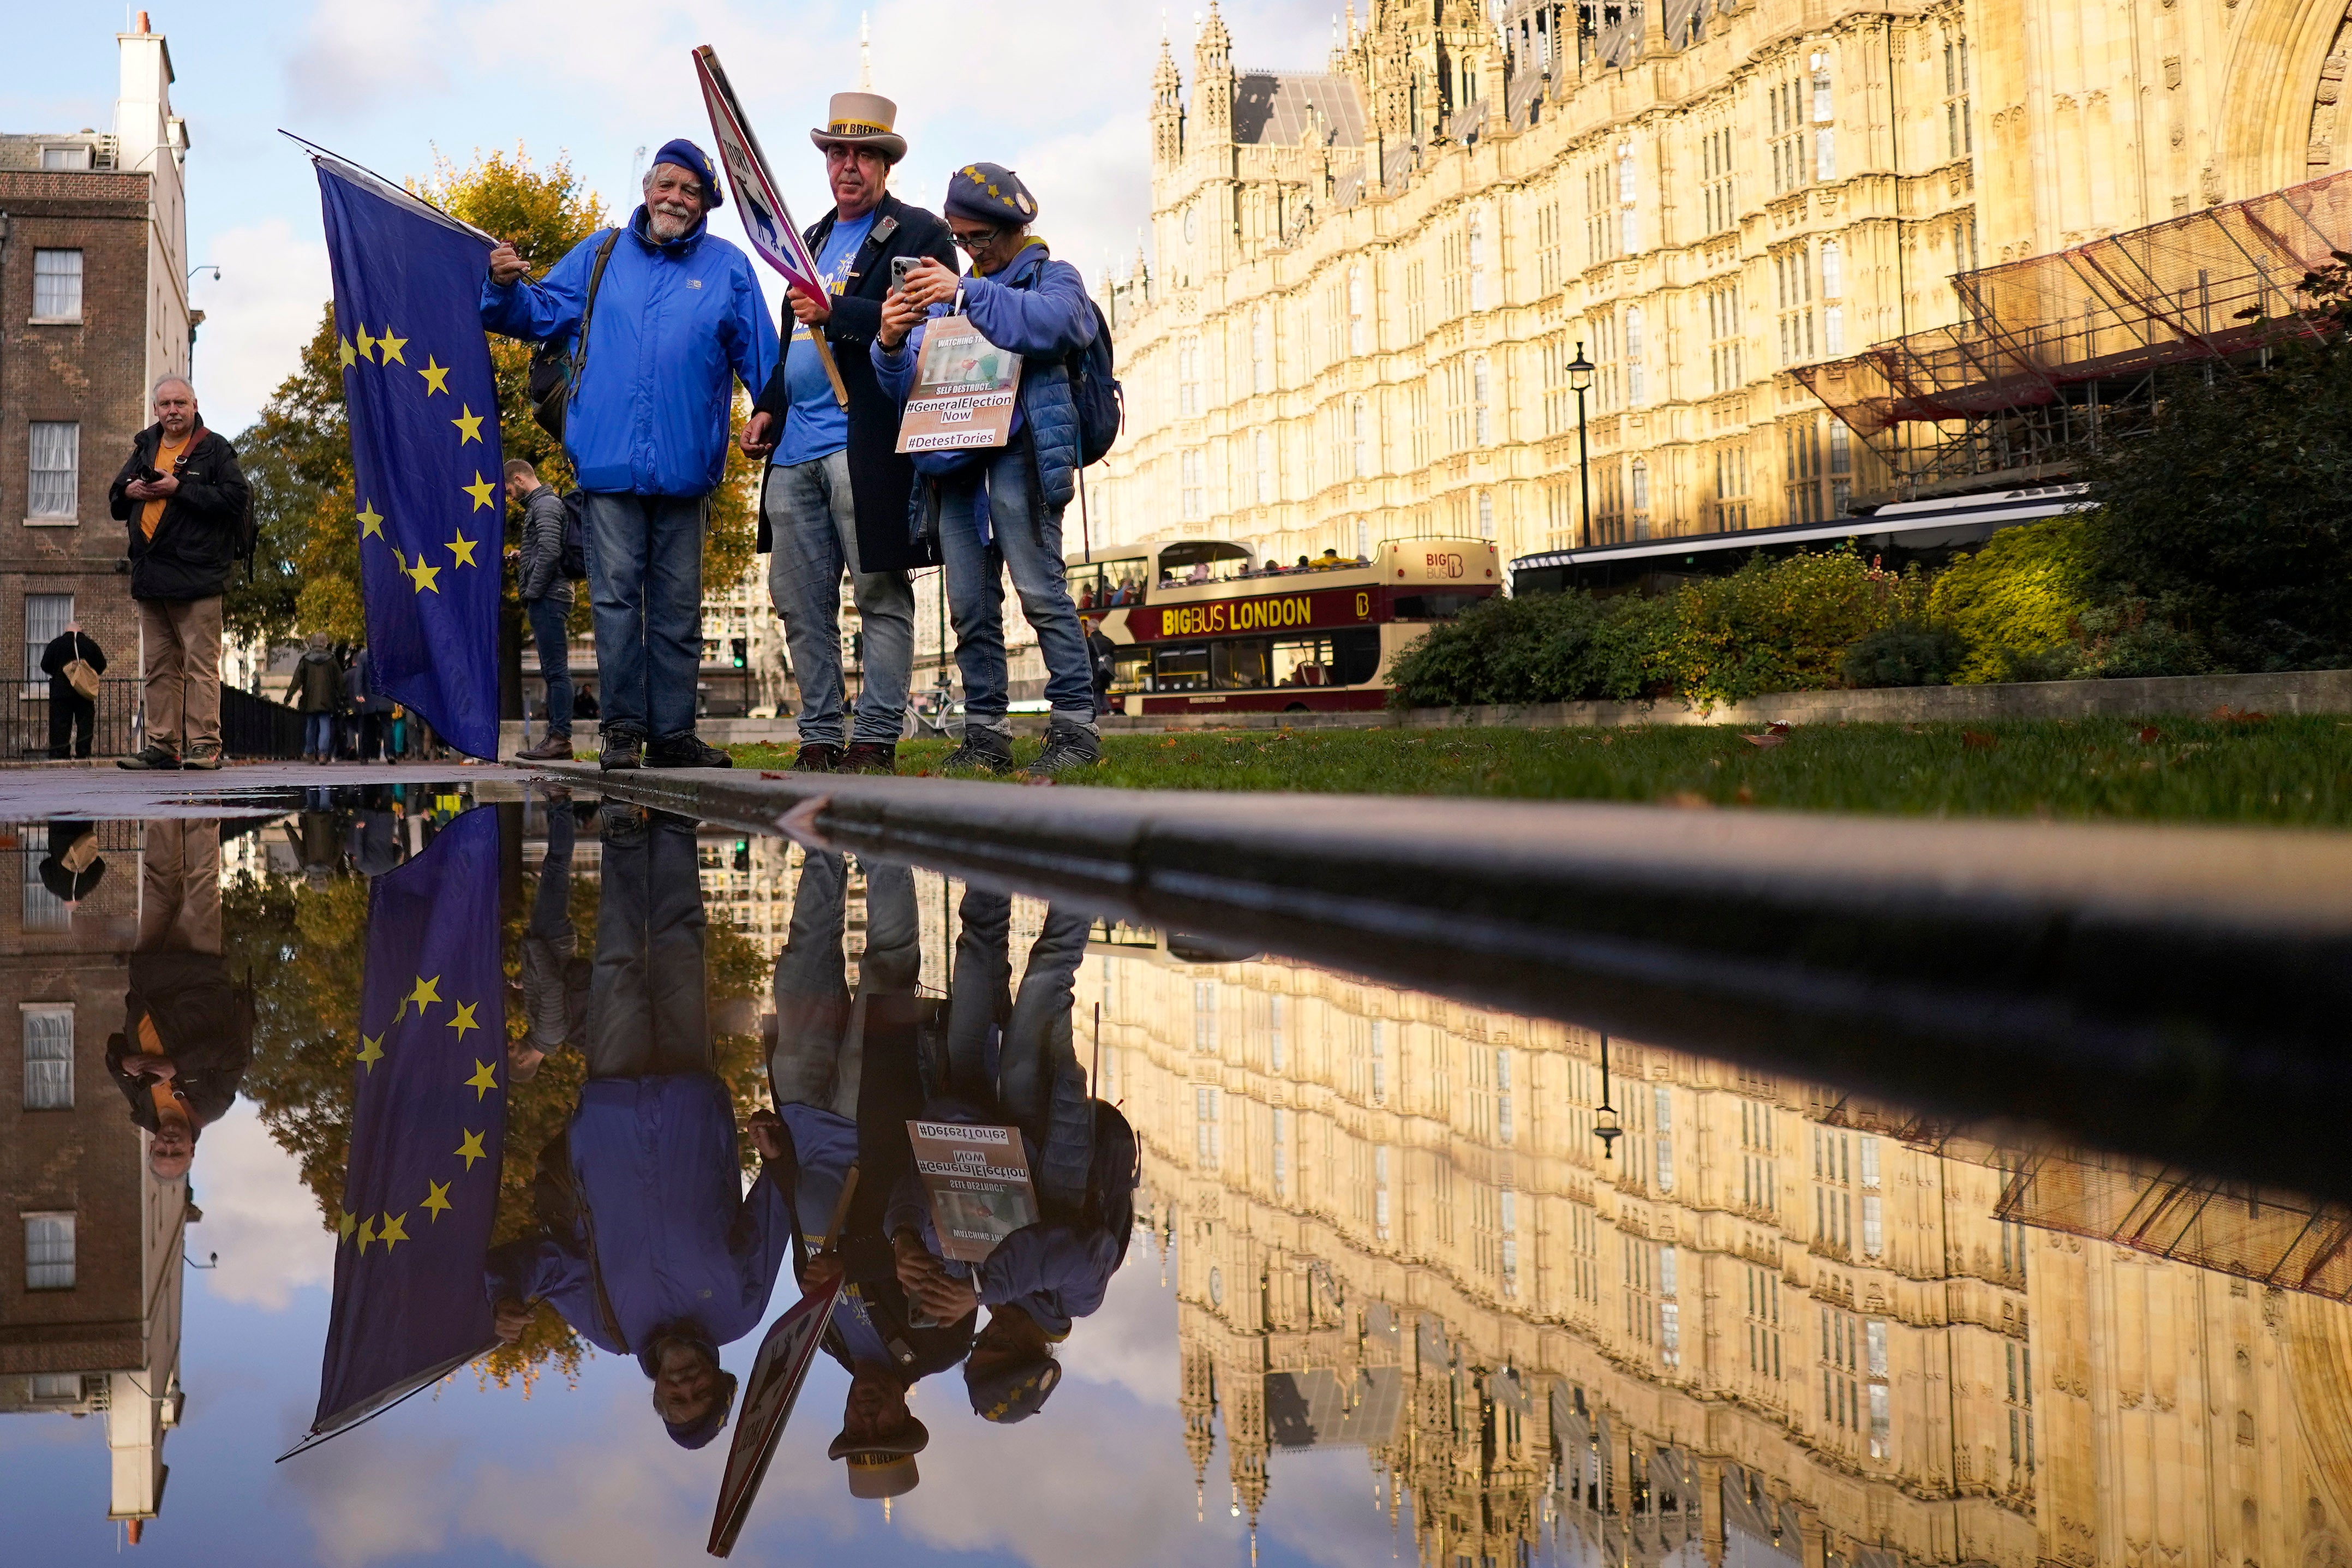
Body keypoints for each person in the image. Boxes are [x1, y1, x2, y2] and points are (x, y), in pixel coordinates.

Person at [484, 806, 794, 1449]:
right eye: (699, 1394)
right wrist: (775, 1156)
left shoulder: (607, 1329)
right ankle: (678, 818)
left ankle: (625, 822)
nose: (683, 1385)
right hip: (691, 1100)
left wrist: (503, 1296)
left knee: (619, 956)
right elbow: (774, 1215)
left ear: (656, 1395)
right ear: (720, 1381)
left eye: (673, 1400)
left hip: (611, 1109)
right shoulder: (739, 1312)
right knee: (682, 938)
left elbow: (539, 1264)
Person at [481, 141, 775, 773]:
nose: (673, 197)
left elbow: (764, 360)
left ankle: (672, 735)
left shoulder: (729, 267)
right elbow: (535, 314)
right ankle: (620, 732)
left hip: (685, 468)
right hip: (610, 463)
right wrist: (500, 285)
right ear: (647, 189)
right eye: (665, 184)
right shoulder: (600, 253)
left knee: (676, 607)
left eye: (689, 191)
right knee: (614, 600)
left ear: (705, 205)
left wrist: (767, 408)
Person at [741, 93, 958, 778]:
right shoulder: (804, 240)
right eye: (838, 153)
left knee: (880, 595)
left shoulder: (920, 233)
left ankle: (874, 737)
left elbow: (925, 321)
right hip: (795, 454)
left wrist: (838, 308)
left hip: (866, 445)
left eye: (865, 154)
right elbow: (790, 348)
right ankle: (819, 736)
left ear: (886, 164)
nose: (849, 166)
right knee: (801, 608)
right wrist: (768, 407)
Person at [874, 164, 1101, 777]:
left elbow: (1056, 326)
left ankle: (1077, 726)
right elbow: (910, 392)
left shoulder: (1054, 279)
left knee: (1040, 592)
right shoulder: (951, 293)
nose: (969, 250)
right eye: (960, 238)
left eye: (977, 238)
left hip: (1020, 465)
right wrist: (890, 346)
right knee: (969, 606)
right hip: (955, 473)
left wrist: (967, 293)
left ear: (1012, 228)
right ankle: (985, 735)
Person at [884, 890, 1137, 1425]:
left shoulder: (963, 1281)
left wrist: (905, 1236)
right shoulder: (1078, 1298)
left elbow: (919, 1175)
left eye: (981, 1350)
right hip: (1040, 1112)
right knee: (1048, 976)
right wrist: (980, 1287)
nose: (988, 1336)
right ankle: (1086, 850)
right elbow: (1066, 1250)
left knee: (975, 950)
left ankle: (989, 836)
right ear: (1035, 1352)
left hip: (969, 1099)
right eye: (1001, 1349)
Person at [110, 376, 249, 771]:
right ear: (155, 409)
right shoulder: (144, 447)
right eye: (166, 404)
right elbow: (115, 500)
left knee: (200, 666)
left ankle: (205, 745)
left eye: (180, 403)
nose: (173, 410)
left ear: (194, 405)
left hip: (199, 577)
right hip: (151, 576)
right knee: (158, 666)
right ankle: (162, 746)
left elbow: (236, 499)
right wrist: (129, 492)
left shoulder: (214, 448)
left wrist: (179, 489)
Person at [105, 820, 247, 1181]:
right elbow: (233, 1052)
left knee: (159, 881)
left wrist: (126, 1062)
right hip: (197, 973)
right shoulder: (212, 1105)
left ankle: (163, 801)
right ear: (192, 1149)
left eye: (163, 1151)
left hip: (149, 978)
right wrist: (176, 1065)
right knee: (201, 880)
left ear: (151, 1147)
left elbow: (112, 1052)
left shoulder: (141, 1109)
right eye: (178, 1151)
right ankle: (201, 795)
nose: (170, 1144)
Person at [505, 459, 577, 762]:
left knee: (556, 671)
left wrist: (532, 591)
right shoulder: (541, 506)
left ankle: (560, 738)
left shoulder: (545, 505)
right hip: (548, 595)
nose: (509, 496)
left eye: (509, 489)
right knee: (552, 670)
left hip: (549, 597)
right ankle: (556, 736)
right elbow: (545, 548)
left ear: (520, 479)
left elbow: (550, 552)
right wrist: (525, 555)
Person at [39, 620, 106, 760]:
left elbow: (45, 665)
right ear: (80, 631)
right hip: (84, 691)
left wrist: (58, 673)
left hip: (60, 691)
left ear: (66, 631)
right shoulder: (90, 644)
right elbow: (101, 665)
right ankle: (83, 752)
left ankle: (60, 753)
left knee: (60, 723)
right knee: (85, 723)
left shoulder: (56, 644)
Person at [285, 632, 344, 763]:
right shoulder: (331, 660)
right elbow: (339, 681)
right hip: (327, 699)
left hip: (309, 698)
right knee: (325, 725)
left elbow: (297, 679)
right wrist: (344, 698)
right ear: (325, 643)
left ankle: (310, 752)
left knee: (310, 726)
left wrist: (289, 695)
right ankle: (323, 753)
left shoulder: (306, 659)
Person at [345, 645, 392, 762]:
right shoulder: (388, 655)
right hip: (385, 697)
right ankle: (390, 754)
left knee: (365, 727)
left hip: (369, 698)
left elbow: (359, 676)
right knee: (387, 727)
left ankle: (364, 756)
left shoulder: (363, 657)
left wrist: (358, 693)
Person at [1083, 614, 1116, 718]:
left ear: (1090, 628)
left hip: (1095, 671)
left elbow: (1086, 658)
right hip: (1106, 672)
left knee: (1096, 693)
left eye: (1088, 627)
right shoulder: (1108, 641)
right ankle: (1109, 709)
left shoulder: (1089, 642)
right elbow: (1113, 657)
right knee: (1101, 692)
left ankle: (1099, 715)